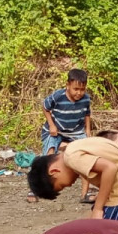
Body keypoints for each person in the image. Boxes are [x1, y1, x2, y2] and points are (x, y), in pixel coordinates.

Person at [28, 137, 118, 226]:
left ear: (54, 171)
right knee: (103, 225)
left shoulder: (71, 158)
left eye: (62, 185)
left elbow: (110, 168)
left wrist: (98, 208)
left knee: (115, 232)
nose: (70, 185)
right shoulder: (73, 147)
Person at [30, 68, 94, 204]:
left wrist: (87, 130)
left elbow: (87, 114)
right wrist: (52, 125)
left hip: (76, 131)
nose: (79, 93)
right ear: (67, 85)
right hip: (56, 130)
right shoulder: (58, 96)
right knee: (48, 155)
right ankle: (36, 190)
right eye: (76, 89)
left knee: (86, 158)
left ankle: (85, 194)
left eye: (82, 90)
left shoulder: (86, 99)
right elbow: (45, 107)